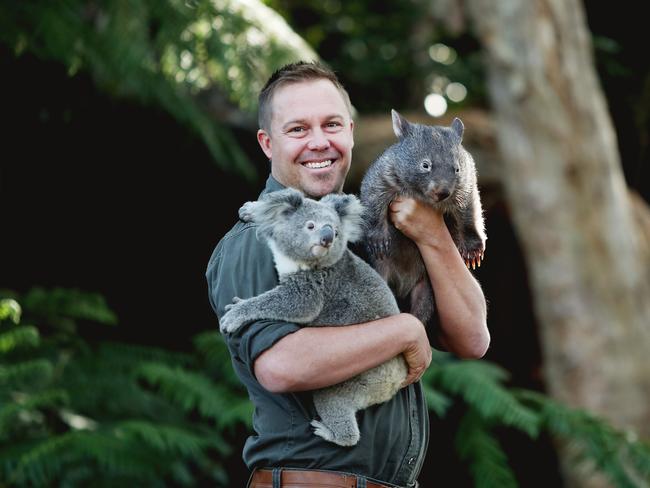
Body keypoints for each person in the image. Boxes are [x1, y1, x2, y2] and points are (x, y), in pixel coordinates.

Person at [205, 61, 490, 488]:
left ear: (351, 132)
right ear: (267, 143)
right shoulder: (257, 238)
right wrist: (405, 331)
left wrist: (434, 236)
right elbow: (280, 365)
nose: (319, 142)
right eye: (298, 129)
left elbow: (472, 337)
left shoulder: (362, 233)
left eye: (332, 125)